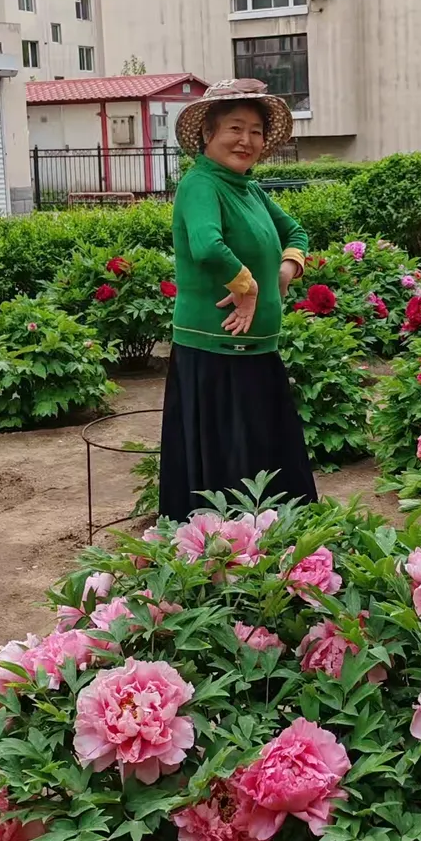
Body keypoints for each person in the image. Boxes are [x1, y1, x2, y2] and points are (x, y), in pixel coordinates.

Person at [159, 76, 317, 523]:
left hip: (258, 351)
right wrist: (246, 287)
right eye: (234, 128)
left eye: (255, 131)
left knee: (268, 463)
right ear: (208, 133)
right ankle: (224, 563)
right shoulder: (201, 184)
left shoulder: (248, 188)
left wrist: (285, 271)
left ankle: (279, 557)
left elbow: (296, 233)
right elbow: (206, 246)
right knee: (229, 475)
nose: (246, 140)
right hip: (215, 355)